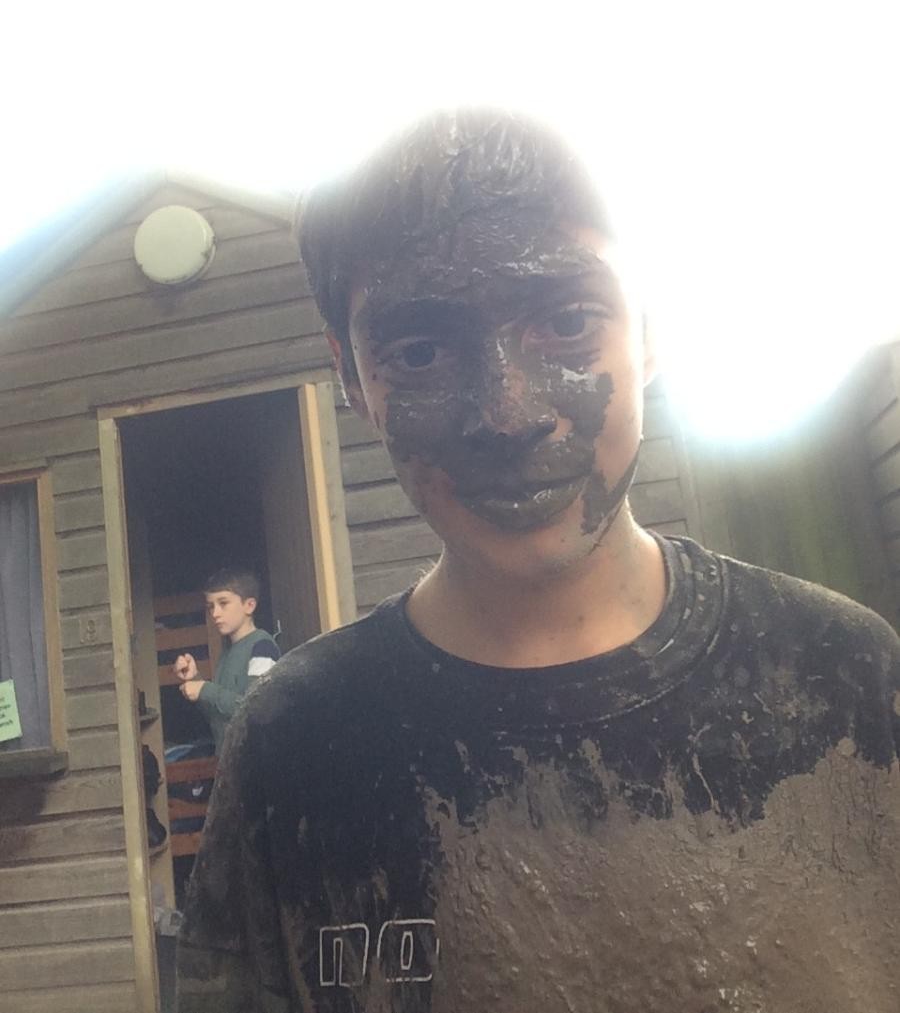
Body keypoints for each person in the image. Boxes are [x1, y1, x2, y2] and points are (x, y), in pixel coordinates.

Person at [177, 111, 899, 1012]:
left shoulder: (843, 678)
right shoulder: (294, 747)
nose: (508, 413)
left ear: (649, 326)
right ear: (354, 378)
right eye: (421, 351)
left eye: (566, 320)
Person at [173, 568, 280, 754]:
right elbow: (218, 714)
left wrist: (204, 689)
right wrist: (194, 679)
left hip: (257, 757)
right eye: (211, 606)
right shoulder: (227, 652)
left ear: (249, 605)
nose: (215, 613)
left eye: (223, 603)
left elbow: (256, 709)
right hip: (230, 759)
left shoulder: (262, 646)